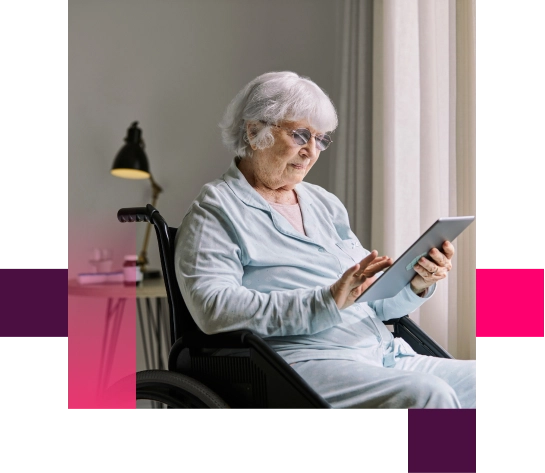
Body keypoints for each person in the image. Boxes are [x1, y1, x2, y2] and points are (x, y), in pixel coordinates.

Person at [174, 71, 478, 409]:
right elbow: (215, 309)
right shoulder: (216, 209)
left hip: (379, 353)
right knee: (428, 395)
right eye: (301, 134)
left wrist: (416, 283)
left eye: (321, 139)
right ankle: (447, 462)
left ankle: (451, 459)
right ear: (253, 130)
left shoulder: (323, 203)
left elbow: (371, 301)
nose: (311, 151)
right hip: (299, 364)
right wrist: (326, 302)